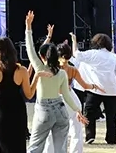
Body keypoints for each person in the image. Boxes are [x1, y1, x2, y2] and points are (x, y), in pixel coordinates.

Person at [25, 12, 87, 153]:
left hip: (44, 109)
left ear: (42, 57)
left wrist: (28, 27)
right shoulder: (62, 73)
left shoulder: (40, 68)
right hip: (60, 109)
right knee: (61, 149)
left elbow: (29, 48)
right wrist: (78, 111)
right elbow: (66, 95)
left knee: (35, 146)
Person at [42, 38, 103, 153]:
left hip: (59, 97)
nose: (65, 61)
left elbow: (42, 53)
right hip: (66, 97)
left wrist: (94, 86)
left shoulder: (52, 68)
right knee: (72, 127)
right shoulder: (69, 69)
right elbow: (85, 85)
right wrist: (94, 86)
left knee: (61, 127)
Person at [70, 31, 116, 145]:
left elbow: (76, 54)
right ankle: (112, 138)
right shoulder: (113, 56)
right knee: (111, 115)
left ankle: (90, 135)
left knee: (89, 111)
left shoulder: (92, 54)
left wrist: (74, 41)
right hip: (111, 89)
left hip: (96, 89)